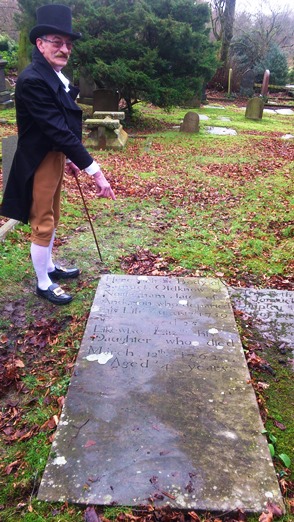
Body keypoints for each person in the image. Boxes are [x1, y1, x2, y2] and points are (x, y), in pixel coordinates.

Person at [0, 4, 116, 305]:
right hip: (38, 159)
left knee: (53, 215)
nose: (64, 49)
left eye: (68, 44)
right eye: (56, 42)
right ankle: (42, 283)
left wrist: (69, 159)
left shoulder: (52, 75)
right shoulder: (33, 80)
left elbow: (61, 124)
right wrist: (95, 170)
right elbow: (57, 130)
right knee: (43, 221)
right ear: (40, 43)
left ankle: (49, 267)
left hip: (53, 156)